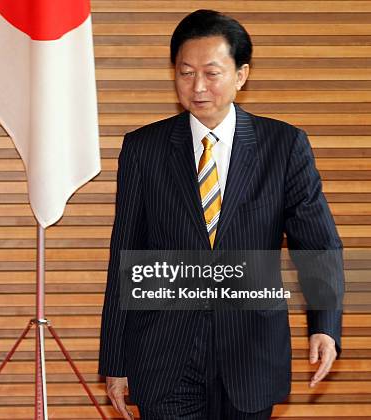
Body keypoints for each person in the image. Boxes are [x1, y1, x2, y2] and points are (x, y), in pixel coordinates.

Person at [98, 10, 344, 420]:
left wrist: (325, 324)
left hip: (250, 350)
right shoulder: (144, 148)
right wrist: (115, 359)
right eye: (185, 72)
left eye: (211, 73)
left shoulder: (282, 146)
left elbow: (316, 244)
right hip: (165, 352)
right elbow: (126, 255)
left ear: (241, 75)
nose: (197, 87)